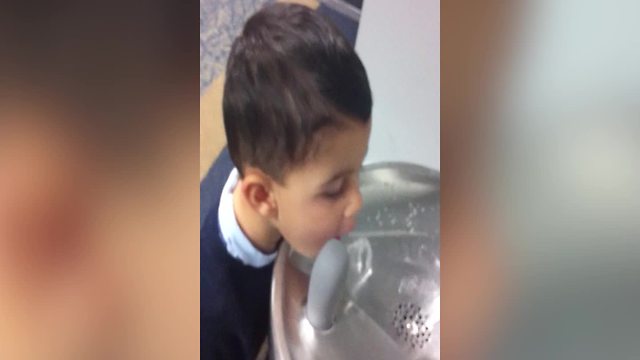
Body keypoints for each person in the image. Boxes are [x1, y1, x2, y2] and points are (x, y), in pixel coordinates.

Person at [200, 3, 373, 359]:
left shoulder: (285, 208)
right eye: (335, 189)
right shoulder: (210, 316)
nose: (357, 201)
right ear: (262, 196)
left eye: (358, 170)